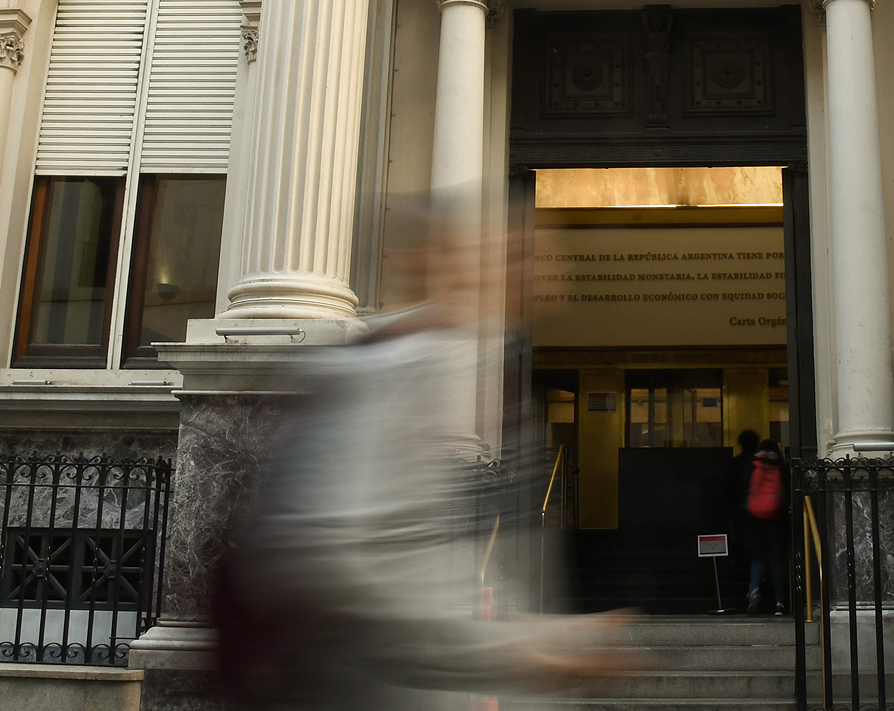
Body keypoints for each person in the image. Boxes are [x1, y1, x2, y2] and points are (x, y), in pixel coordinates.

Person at [213, 201, 629, 710]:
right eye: (521, 254)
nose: (550, 272)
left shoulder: (469, 367)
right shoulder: (391, 370)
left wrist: (538, 642)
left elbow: (434, 567)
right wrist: (514, 654)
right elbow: (324, 560)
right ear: (450, 264)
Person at [742, 438, 791, 615]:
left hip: (754, 519)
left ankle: (754, 589)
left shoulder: (752, 466)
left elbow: (743, 490)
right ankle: (779, 602)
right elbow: (789, 492)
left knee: (757, 557)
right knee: (777, 560)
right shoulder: (782, 467)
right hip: (776, 519)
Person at [723, 429, 762, 611]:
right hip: (760, 511)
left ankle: (742, 573)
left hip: (741, 509)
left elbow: (727, 487)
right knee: (756, 546)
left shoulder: (736, 463)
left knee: (741, 541)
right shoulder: (760, 463)